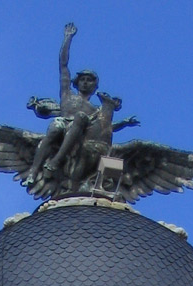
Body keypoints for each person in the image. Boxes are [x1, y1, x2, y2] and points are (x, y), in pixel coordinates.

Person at [23, 23, 138, 190]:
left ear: (95, 86)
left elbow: (104, 128)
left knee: (82, 119)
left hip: (80, 137)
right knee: (56, 126)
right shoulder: (67, 95)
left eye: (89, 80)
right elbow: (63, 64)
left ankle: (58, 162)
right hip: (62, 126)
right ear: (76, 83)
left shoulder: (94, 110)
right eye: (82, 79)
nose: (85, 82)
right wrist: (67, 38)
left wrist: (124, 123)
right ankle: (34, 172)